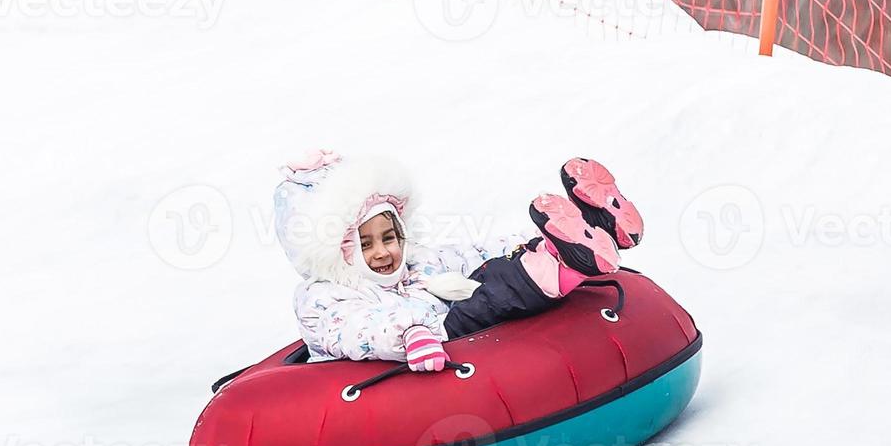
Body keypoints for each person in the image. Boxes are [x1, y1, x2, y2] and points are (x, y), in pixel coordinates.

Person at [273, 149, 643, 369]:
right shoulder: (322, 300)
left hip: (448, 324)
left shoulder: (418, 264)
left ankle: (590, 230)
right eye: (366, 244)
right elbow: (355, 328)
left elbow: (473, 254)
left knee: (490, 270)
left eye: (390, 237)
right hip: (433, 337)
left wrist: (525, 242)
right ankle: (562, 265)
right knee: (488, 301)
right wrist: (410, 334)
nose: (384, 251)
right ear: (340, 252)